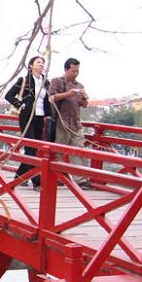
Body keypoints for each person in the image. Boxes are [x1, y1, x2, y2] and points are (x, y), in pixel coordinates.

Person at [4, 55, 54, 188]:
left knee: (33, 149)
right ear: (31, 65)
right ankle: (37, 181)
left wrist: (49, 114)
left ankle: (19, 177)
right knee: (30, 148)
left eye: (43, 63)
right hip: (26, 117)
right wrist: (20, 104)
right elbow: (8, 95)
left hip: (40, 117)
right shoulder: (24, 80)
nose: (42, 64)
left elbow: (47, 101)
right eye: (38, 62)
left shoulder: (46, 82)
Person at [50, 58, 91, 188]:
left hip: (76, 123)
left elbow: (84, 105)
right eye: (73, 71)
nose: (75, 73)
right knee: (59, 151)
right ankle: (58, 176)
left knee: (79, 150)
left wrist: (84, 97)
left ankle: (81, 179)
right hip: (61, 122)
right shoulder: (57, 81)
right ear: (66, 69)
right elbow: (52, 97)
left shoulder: (80, 86)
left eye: (77, 71)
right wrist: (68, 93)